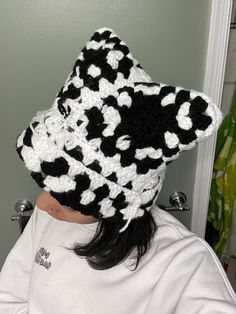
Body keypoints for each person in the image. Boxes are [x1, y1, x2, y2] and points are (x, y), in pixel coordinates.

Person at [0, 27, 235, 313]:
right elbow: (9, 298)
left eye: (68, 201)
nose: (42, 203)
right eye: (46, 185)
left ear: (114, 206)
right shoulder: (45, 215)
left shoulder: (185, 263)